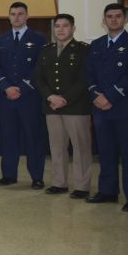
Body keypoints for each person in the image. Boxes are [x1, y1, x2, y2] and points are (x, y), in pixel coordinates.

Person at [85, 3, 128, 212]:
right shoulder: (97, 45)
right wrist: (96, 95)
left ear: (125, 19)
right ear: (104, 21)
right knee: (106, 152)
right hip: (101, 108)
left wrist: (109, 96)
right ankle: (108, 191)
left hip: (126, 108)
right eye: (109, 17)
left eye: (118, 16)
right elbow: (89, 74)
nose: (113, 20)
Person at [34, 14, 92, 198]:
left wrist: (64, 99)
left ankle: (82, 186)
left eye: (65, 26)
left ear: (73, 28)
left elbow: (85, 79)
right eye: (57, 26)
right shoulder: (46, 50)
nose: (60, 29)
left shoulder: (84, 50)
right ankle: (59, 183)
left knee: (80, 148)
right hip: (52, 107)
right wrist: (51, 96)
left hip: (76, 107)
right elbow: (39, 78)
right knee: (57, 147)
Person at [0, 2, 47, 188]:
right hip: (6, 97)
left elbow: (40, 67)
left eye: (20, 14)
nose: (16, 17)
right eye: (13, 14)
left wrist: (22, 88)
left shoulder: (39, 39)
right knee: (8, 137)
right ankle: (9, 174)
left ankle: (37, 177)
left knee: (33, 138)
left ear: (26, 16)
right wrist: (7, 87)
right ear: (8, 17)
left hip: (29, 97)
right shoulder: (2, 39)